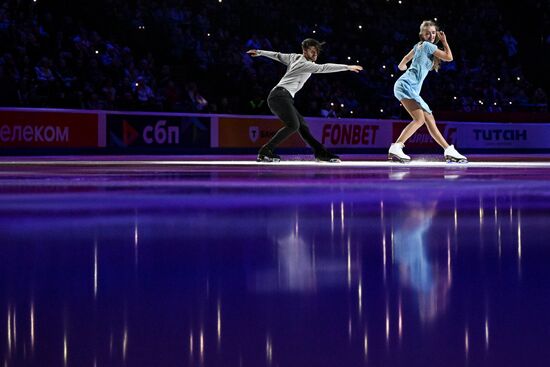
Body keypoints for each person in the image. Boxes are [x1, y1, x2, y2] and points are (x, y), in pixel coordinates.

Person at [247, 38, 363, 162]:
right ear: (304, 51)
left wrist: (260, 52)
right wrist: (347, 67)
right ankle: (265, 151)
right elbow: (324, 68)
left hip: (281, 96)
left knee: (302, 126)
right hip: (279, 97)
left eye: (316, 51)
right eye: (312, 51)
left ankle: (321, 153)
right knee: (293, 125)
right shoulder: (304, 64)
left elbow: (278, 55)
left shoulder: (294, 58)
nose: (315, 54)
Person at [389, 20, 467, 163]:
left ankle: (448, 150)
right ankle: (396, 147)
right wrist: (444, 41)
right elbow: (449, 57)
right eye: (427, 33)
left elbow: (406, 59)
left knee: (429, 119)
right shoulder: (426, 45)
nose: (431, 35)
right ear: (422, 35)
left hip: (407, 86)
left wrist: (402, 66)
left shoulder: (419, 46)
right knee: (419, 120)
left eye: (433, 32)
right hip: (406, 85)